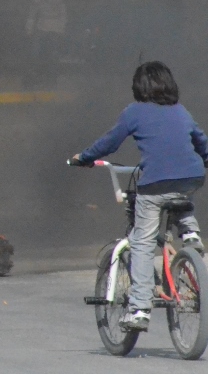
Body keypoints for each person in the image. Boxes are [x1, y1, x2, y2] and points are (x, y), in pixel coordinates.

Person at [72, 61, 208, 332]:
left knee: (143, 242)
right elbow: (201, 141)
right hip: (192, 176)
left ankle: (139, 309)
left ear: (139, 87)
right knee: (179, 192)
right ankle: (191, 233)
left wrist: (84, 157)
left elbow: (110, 142)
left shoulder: (134, 112)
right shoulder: (180, 110)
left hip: (155, 182)